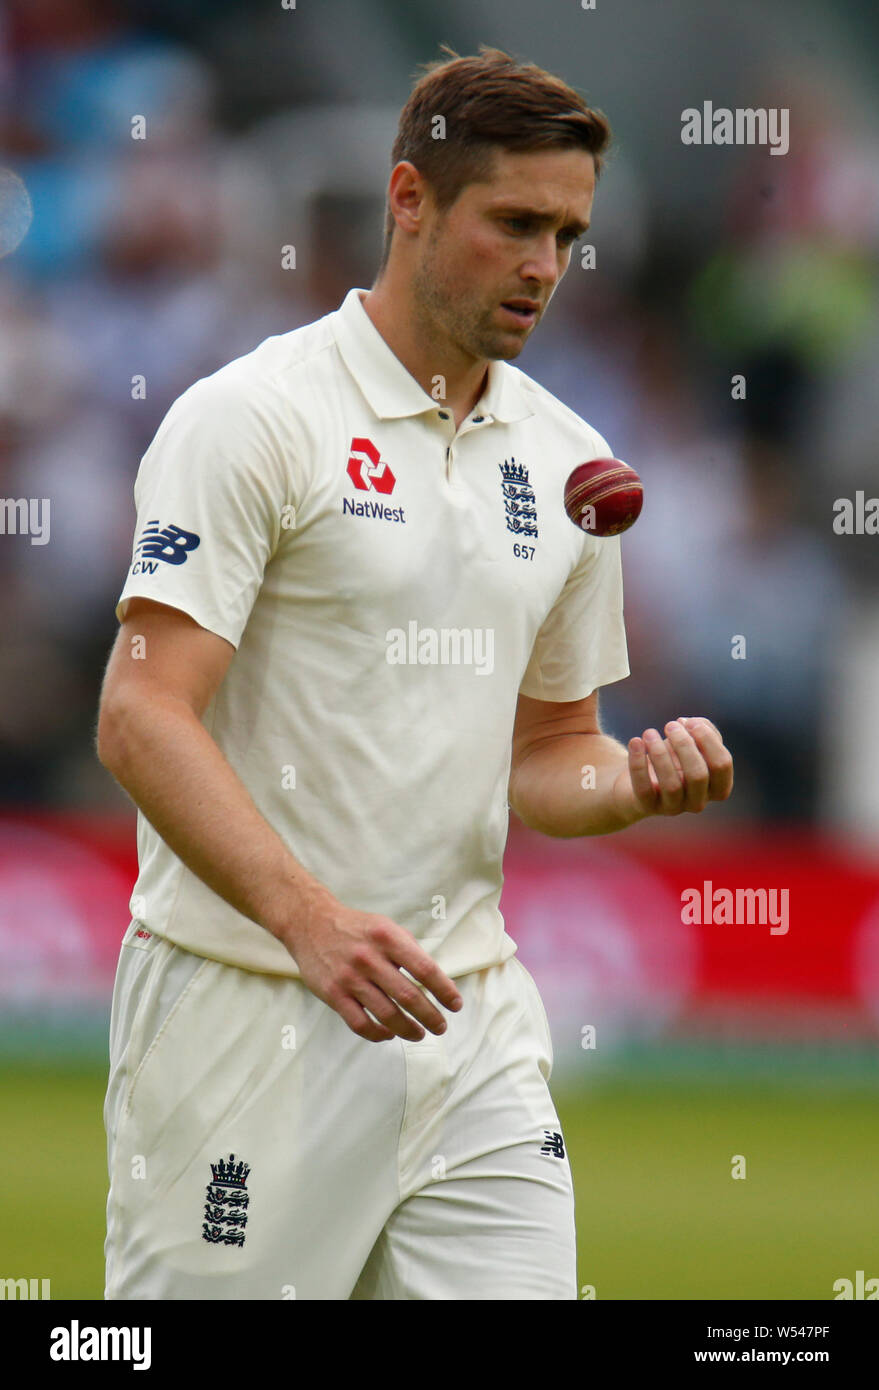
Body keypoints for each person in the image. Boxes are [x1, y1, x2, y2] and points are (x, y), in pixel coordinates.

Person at [97, 44, 733, 1301]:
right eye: (514, 223)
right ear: (408, 201)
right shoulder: (254, 417)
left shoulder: (572, 465)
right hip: (247, 1011)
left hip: (470, 1026)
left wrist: (635, 781)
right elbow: (137, 712)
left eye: (567, 233)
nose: (546, 266)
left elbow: (552, 754)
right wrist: (310, 917)